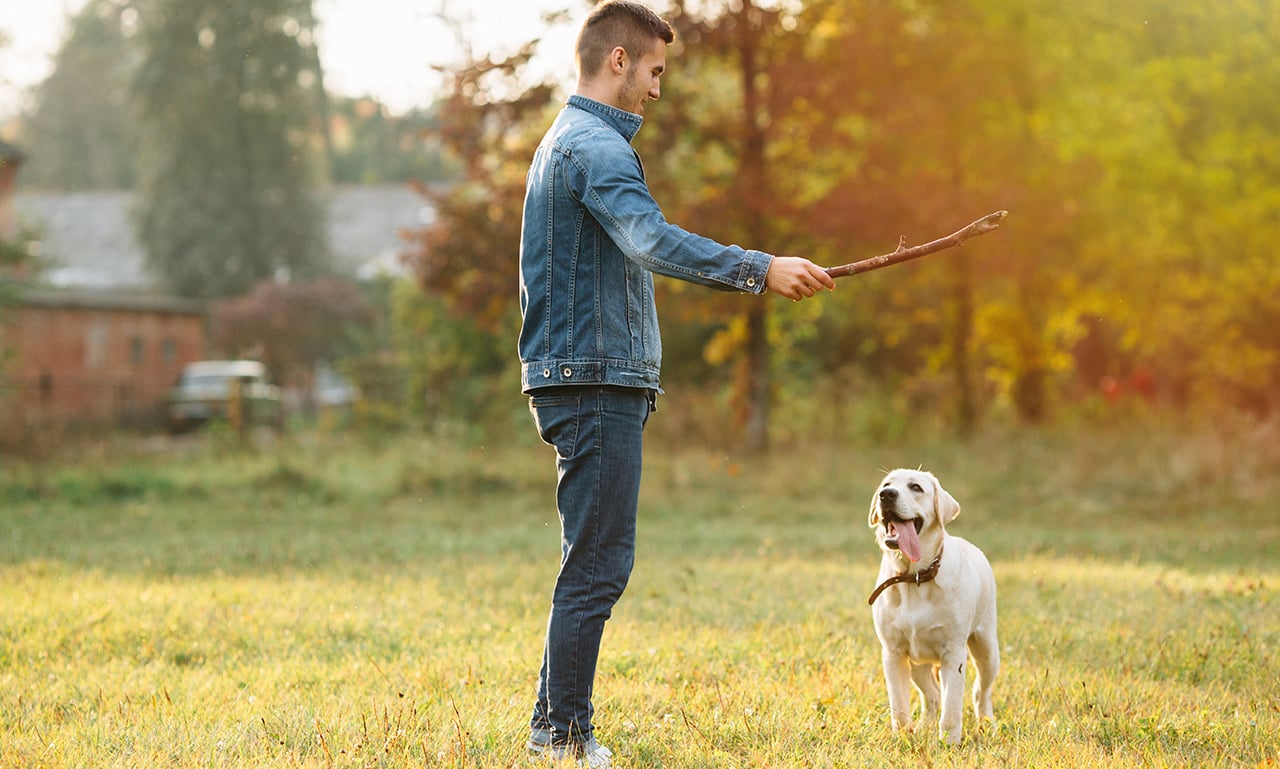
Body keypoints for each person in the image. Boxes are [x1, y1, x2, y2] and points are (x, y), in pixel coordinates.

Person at [518, 1, 835, 764]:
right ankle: (561, 735)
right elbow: (651, 240)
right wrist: (760, 268)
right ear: (619, 61)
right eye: (655, 71)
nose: (659, 89)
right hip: (594, 381)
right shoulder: (594, 147)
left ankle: (551, 725)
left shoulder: (569, 142)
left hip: (587, 377)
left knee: (588, 558)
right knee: (598, 564)